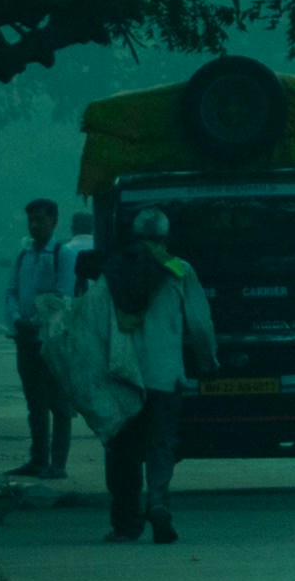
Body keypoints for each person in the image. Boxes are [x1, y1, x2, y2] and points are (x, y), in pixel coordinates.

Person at [58, 207, 218, 545]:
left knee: (122, 450)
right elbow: (201, 326)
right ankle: (158, 502)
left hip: (123, 377)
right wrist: (208, 361)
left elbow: (90, 320)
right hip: (165, 376)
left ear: (134, 235)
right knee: (161, 444)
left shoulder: (113, 269)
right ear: (165, 236)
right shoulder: (179, 270)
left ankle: (126, 525)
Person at [4, 197, 80, 475]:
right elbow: (11, 291)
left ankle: (57, 463)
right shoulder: (24, 255)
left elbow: (62, 298)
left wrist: (33, 322)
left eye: (40, 219)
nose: (35, 225)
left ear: (54, 222)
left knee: (58, 403)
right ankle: (38, 459)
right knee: (34, 403)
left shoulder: (63, 254)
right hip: (24, 338)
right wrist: (16, 319)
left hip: (51, 340)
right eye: (31, 220)